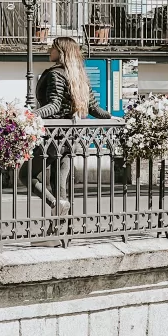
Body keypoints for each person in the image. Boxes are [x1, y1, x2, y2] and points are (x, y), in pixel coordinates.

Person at [33, 36, 112, 213]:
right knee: (59, 185)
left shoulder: (56, 74)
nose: (49, 51)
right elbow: (94, 108)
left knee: (27, 176)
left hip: (52, 137)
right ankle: (61, 231)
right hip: (69, 138)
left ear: (61, 52)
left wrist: (29, 115)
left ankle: (55, 206)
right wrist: (111, 117)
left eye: (52, 48)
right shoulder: (79, 76)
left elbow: (54, 105)